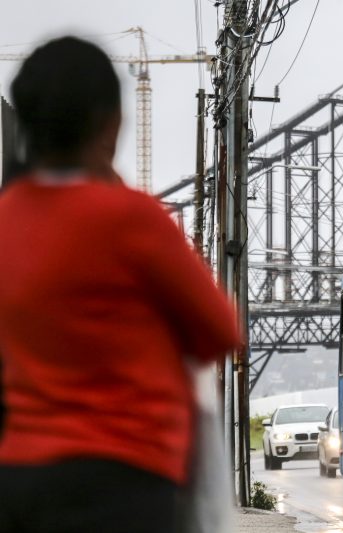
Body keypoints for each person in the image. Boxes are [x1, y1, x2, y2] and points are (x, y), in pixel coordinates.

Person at [0, 37, 240, 533]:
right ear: (111, 123)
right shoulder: (132, 219)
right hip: (127, 481)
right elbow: (221, 331)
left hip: (20, 481)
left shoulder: (5, 219)